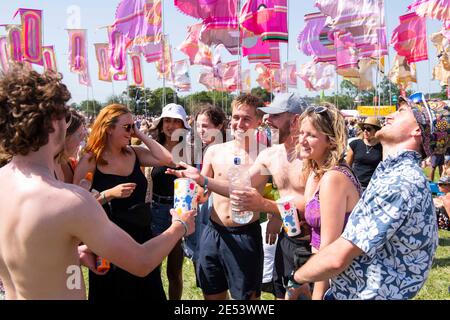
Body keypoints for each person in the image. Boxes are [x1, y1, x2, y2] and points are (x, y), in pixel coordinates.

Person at [0, 63, 195, 300]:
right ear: (54, 122)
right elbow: (142, 261)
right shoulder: (68, 200)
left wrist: (75, 253)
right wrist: (180, 226)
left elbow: (30, 250)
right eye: (66, 114)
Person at [286, 93, 448, 300]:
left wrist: (297, 278)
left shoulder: (400, 181)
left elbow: (337, 257)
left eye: (400, 112)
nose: (389, 115)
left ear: (417, 130)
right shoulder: (395, 174)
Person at [73, 103, 185, 301]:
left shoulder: (134, 153)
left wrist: (139, 134)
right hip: (108, 240)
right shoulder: (91, 159)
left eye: (132, 126)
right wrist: (109, 194)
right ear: (108, 128)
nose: (130, 131)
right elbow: (76, 206)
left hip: (141, 236)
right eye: (126, 127)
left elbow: (166, 158)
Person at [168, 94, 266, 300]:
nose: (240, 123)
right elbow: (204, 194)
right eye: (236, 117)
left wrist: (202, 179)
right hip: (212, 232)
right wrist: (189, 186)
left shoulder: (265, 155)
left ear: (259, 121)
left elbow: (240, 189)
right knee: (212, 294)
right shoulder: (214, 151)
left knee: (246, 299)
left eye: (246, 119)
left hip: (244, 235)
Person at [228, 92, 312, 300]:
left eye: (275, 115)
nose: (267, 120)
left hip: (315, 244)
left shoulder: (313, 155)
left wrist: (268, 207)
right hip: (286, 240)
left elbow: (312, 208)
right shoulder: (271, 154)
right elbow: (240, 185)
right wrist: (203, 181)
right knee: (281, 295)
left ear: (295, 120)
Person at [289, 103, 361, 300]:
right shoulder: (315, 172)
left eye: (311, 135)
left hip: (339, 281)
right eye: (301, 133)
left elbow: (329, 250)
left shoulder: (334, 178)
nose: (302, 140)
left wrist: (318, 295)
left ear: (330, 141)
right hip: (321, 272)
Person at [148, 103, 191, 300]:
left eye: (176, 121)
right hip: (154, 211)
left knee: (174, 272)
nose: (171, 125)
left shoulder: (191, 151)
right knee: (151, 268)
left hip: (179, 213)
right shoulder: (151, 148)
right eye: (167, 120)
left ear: (183, 125)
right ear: (161, 123)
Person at [183, 104, 227, 262]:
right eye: (198, 125)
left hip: (217, 208)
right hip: (201, 204)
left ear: (219, 126)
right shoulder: (200, 148)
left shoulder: (225, 151)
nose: (201, 130)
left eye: (206, 126)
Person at [346, 116, 383, 191]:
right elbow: (347, 167)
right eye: (364, 128)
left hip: (373, 187)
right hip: (355, 185)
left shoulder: (382, 147)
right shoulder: (355, 144)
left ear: (376, 131)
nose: (365, 131)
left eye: (368, 129)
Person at [54, 108, 86, 183]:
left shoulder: (71, 163)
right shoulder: (45, 168)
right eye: (79, 135)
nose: (82, 141)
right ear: (65, 136)